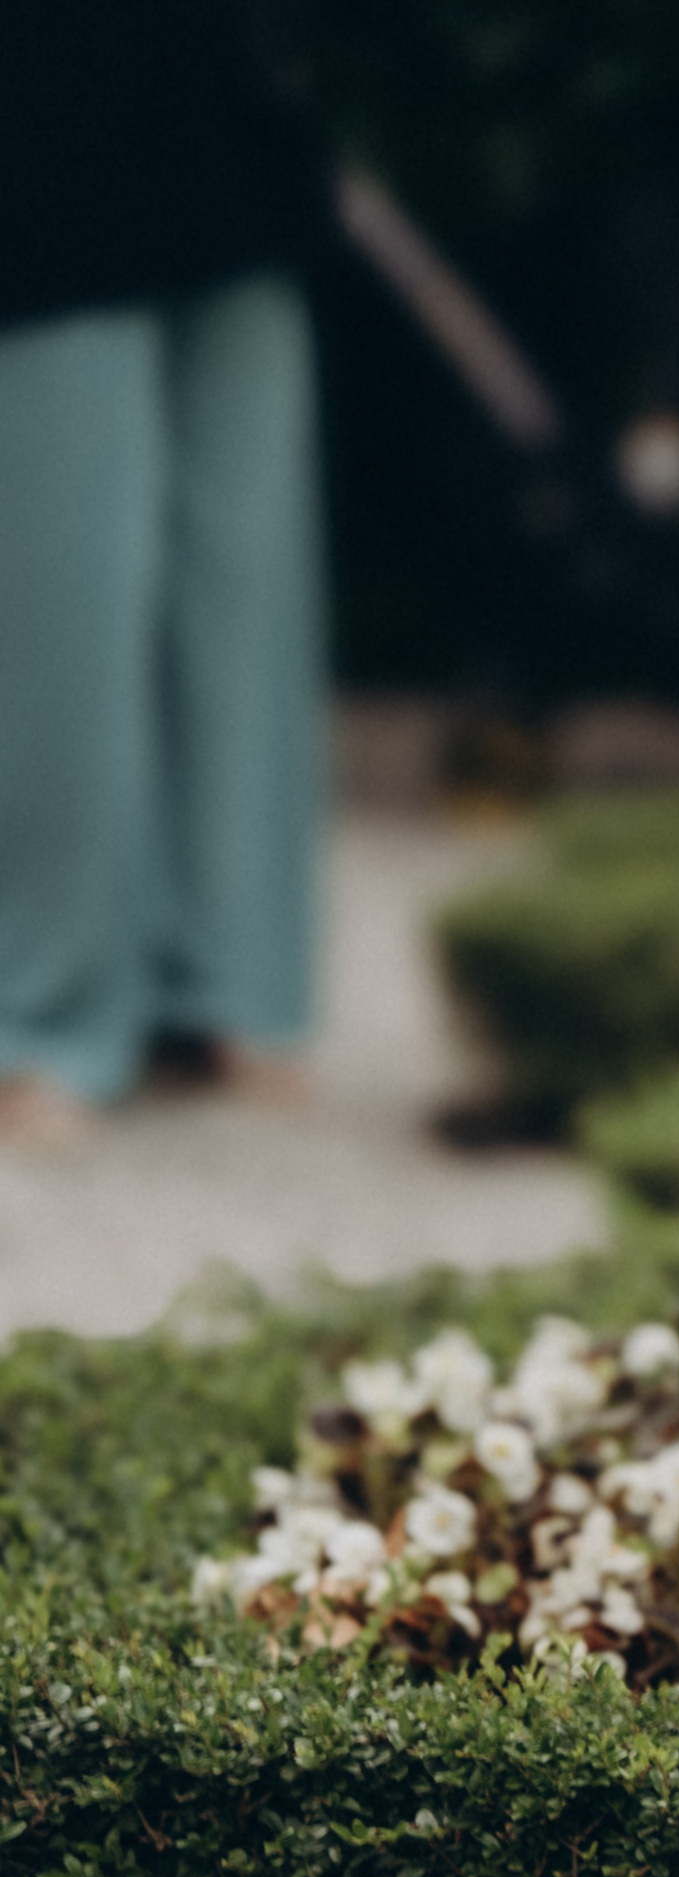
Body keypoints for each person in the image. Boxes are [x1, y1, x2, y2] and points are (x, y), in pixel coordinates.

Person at [0, 2, 334, 1139]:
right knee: (59, 591)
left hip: (230, 88)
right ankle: (39, 1012)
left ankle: (228, 988)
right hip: (39, 104)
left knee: (239, 583)